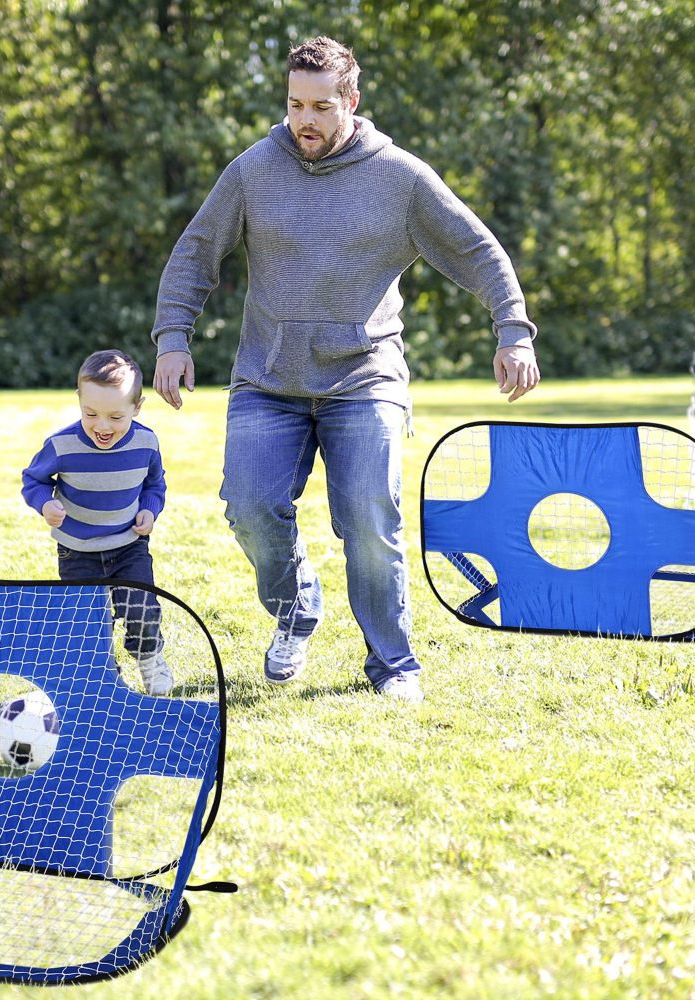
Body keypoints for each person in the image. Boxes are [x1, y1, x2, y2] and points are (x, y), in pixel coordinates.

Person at [150, 35, 540, 703]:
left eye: (322, 107)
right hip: (268, 380)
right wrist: (171, 337)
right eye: (296, 104)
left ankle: (393, 665)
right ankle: (297, 604)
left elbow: (477, 250)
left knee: (368, 518)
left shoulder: (401, 179)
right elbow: (194, 254)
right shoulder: (253, 170)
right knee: (247, 508)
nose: (305, 120)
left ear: (352, 102)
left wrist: (514, 331)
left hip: (365, 379)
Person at [21, 349, 174, 696]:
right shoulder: (62, 444)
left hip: (129, 544)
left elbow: (154, 483)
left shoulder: (146, 442)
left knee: (143, 607)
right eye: (90, 413)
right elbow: (33, 480)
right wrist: (45, 504)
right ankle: (106, 678)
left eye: (116, 417)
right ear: (79, 401)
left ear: (137, 408)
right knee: (88, 623)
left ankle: (149, 659)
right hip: (78, 551)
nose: (102, 426)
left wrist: (150, 510)